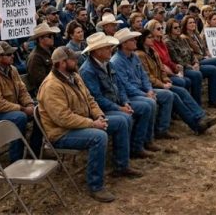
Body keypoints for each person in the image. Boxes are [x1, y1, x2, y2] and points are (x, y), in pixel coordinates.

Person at [39, 46, 140, 203]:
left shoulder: (74, 76)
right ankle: (95, 186)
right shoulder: (52, 86)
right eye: (72, 59)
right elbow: (63, 118)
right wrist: (92, 124)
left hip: (82, 122)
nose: (76, 61)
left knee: (122, 120)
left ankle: (121, 166)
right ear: (62, 63)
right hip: (61, 133)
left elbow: (90, 99)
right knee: (98, 137)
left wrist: (99, 115)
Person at [80, 33, 158, 159]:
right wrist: (119, 108)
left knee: (146, 106)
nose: (111, 49)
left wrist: (125, 102)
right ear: (97, 51)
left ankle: (137, 146)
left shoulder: (107, 63)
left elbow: (119, 86)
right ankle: (127, 155)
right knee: (128, 116)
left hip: (115, 103)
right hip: (102, 109)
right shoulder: (88, 70)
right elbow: (97, 99)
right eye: (107, 47)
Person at [135, 29, 216, 135]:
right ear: (142, 40)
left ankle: (200, 117)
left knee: (181, 91)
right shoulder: (140, 55)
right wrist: (162, 84)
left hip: (161, 82)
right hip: (151, 86)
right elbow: (147, 76)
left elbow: (161, 69)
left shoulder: (152, 51)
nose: (152, 39)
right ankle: (195, 124)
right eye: (149, 37)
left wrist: (166, 80)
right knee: (174, 95)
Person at [110, 28, 177, 140]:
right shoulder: (116, 61)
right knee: (149, 103)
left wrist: (149, 90)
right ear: (124, 44)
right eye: (132, 40)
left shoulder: (134, 56)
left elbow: (144, 76)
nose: (136, 41)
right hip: (130, 94)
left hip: (141, 90)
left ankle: (161, 130)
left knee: (168, 95)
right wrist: (145, 94)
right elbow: (125, 85)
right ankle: (143, 140)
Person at [165, 17, 216, 109]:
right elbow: (175, 59)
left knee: (213, 69)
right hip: (181, 68)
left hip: (193, 65)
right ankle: (197, 104)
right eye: (175, 28)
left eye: (178, 27)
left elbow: (191, 53)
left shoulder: (182, 39)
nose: (178, 29)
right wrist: (190, 66)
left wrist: (195, 62)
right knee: (196, 75)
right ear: (170, 29)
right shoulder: (168, 42)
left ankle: (214, 100)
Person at [26, 22, 59, 96]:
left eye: (53, 35)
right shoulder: (35, 58)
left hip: (57, 86)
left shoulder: (53, 51)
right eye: (49, 36)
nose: (52, 38)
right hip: (47, 91)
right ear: (40, 39)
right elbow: (41, 81)